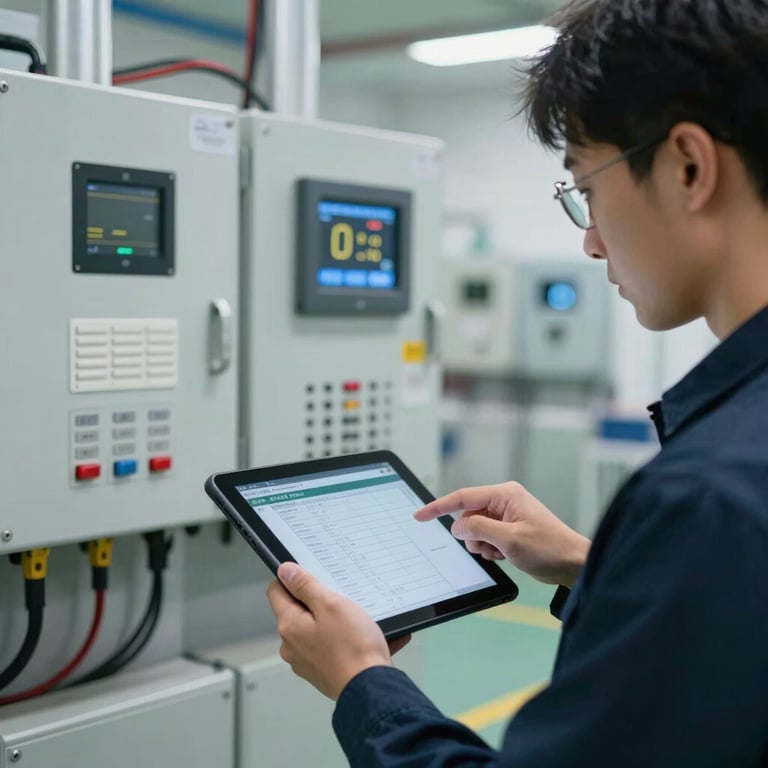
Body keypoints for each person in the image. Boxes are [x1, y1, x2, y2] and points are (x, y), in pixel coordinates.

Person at [266, 0, 768, 764]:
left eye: (587, 190)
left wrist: (361, 679)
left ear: (688, 167)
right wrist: (591, 562)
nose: (593, 242)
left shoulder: (711, 494)